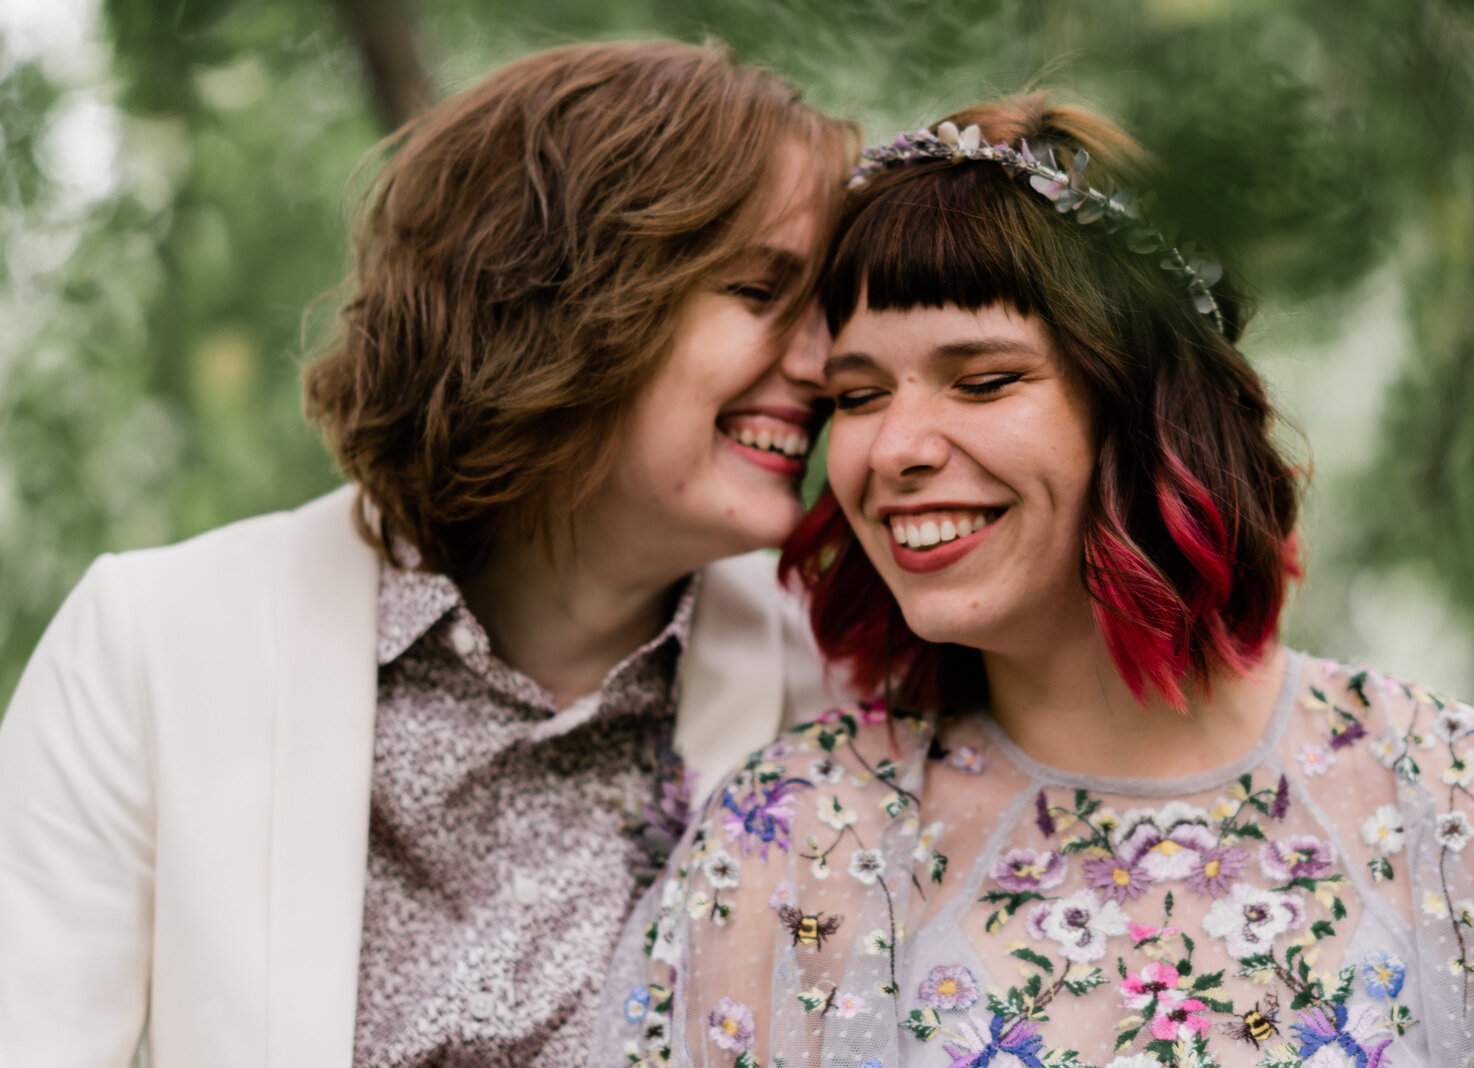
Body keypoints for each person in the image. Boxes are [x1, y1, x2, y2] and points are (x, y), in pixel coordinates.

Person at [594, 96, 1474, 1068]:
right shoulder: (790, 839)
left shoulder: (1468, 801)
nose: (891, 448)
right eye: (857, 396)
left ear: (1149, 413)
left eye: (982, 379)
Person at [0, 41, 853, 1067]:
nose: (824, 364)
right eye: (761, 293)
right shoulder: (150, 651)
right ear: (557, 299)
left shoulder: (846, 694)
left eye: (827, 312)